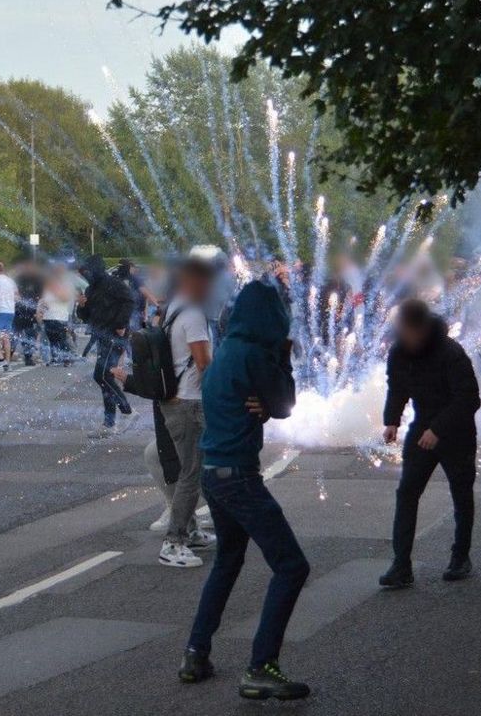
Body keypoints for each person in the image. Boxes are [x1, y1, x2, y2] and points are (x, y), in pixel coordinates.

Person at [179, 280, 311, 700]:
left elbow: (260, 405)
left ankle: (196, 652)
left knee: (228, 560)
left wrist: (264, 404)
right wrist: (284, 364)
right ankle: (261, 666)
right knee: (291, 566)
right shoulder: (256, 354)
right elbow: (287, 404)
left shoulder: (227, 353)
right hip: (238, 476)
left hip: (214, 473)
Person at [378, 299, 481, 588]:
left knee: (461, 493)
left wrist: (438, 429)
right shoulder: (399, 352)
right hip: (422, 426)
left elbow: (469, 398)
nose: (403, 336)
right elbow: (396, 387)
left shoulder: (450, 352)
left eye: (407, 330)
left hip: (456, 432)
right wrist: (392, 421)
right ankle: (401, 565)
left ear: (421, 328)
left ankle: (460, 557)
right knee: (407, 492)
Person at [157, 257, 218, 569]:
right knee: (191, 474)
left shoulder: (176, 306)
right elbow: (205, 362)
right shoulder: (193, 313)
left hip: (176, 400)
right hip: (189, 403)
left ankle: (191, 531)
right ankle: (174, 542)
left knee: (191, 471)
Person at [81, 256, 135, 432]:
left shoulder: (114, 283)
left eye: (87, 272)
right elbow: (85, 315)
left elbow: (129, 301)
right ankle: (110, 422)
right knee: (104, 376)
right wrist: (81, 306)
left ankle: (125, 412)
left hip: (115, 333)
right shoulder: (90, 289)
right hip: (102, 334)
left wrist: (121, 324)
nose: (85, 276)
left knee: (102, 375)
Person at [40, 269, 77, 365]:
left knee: (62, 339)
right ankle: (55, 358)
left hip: (60, 317)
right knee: (52, 339)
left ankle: (66, 358)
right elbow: (45, 302)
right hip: (49, 317)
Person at [13, 261, 45, 367]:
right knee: (29, 335)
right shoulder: (36, 282)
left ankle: (10, 355)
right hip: (29, 313)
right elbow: (39, 296)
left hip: (20, 312)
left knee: (17, 335)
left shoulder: (18, 281)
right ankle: (28, 357)